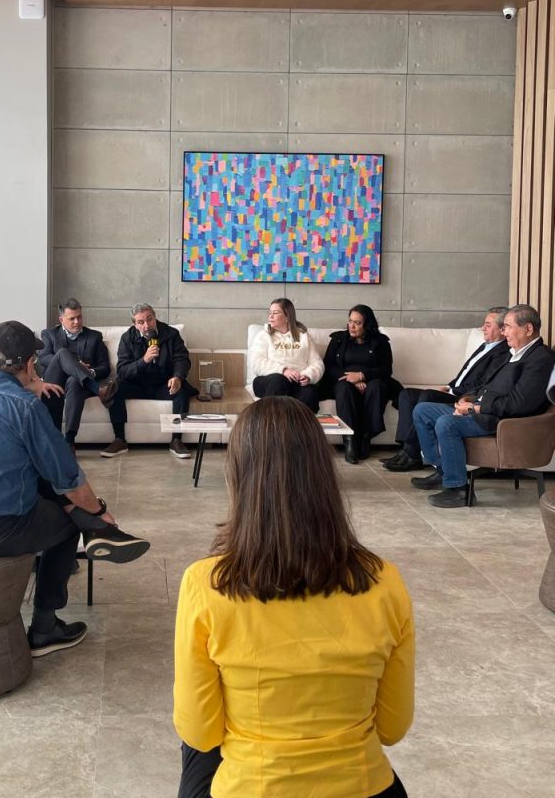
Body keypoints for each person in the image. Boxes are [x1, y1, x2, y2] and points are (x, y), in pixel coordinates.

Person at [173, 397, 414, 798]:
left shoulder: (206, 584)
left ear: (238, 477)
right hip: (363, 784)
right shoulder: (385, 581)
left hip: (253, 786)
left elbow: (200, 732)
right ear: (323, 474)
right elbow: (392, 728)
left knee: (195, 751)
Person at [0, 320, 150, 657]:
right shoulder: (24, 406)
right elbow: (68, 478)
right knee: (67, 523)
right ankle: (46, 627)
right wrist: (98, 510)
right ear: (31, 364)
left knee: (37, 480)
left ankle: (93, 528)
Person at [412, 303, 555, 508]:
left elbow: (517, 404)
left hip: (503, 421)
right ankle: (444, 471)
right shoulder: (514, 352)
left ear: (528, 329)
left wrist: (474, 408)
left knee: (446, 423)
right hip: (483, 410)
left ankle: (458, 490)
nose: (504, 332)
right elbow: (487, 385)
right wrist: (470, 398)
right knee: (423, 410)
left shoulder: (541, 359)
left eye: (508, 326)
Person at [383, 307, 509, 473]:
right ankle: (406, 449)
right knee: (407, 394)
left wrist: (453, 392)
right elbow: (465, 374)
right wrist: (449, 386)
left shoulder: (502, 353)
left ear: (502, 329)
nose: (482, 328)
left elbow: (482, 384)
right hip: (455, 390)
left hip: (464, 397)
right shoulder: (486, 346)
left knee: (427, 396)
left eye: (488, 325)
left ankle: (412, 454)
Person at [37, 298, 127, 458]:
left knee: (74, 380)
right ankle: (98, 390)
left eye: (79, 317)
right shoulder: (49, 334)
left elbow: (104, 367)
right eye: (72, 318)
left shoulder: (94, 337)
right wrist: (73, 364)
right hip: (54, 380)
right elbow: (43, 358)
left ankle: (69, 441)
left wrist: (88, 371)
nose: (77, 322)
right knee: (62, 354)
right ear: (61, 319)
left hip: (78, 385)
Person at [117, 303, 198, 459]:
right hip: (137, 385)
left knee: (181, 389)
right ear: (135, 325)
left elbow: (182, 359)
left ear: (155, 317)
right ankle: (119, 439)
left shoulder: (171, 334)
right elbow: (122, 371)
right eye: (141, 322)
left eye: (149, 319)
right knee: (116, 387)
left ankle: (176, 440)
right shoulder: (127, 338)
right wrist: (144, 360)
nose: (147, 325)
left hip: (164, 384)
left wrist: (177, 377)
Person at [321, 305, 397, 464]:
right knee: (343, 388)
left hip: (372, 382)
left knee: (377, 387)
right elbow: (328, 367)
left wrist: (362, 376)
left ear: (367, 324)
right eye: (350, 321)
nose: (352, 326)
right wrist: (351, 379)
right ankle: (349, 440)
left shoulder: (381, 342)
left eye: (357, 322)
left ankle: (365, 437)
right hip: (344, 382)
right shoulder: (338, 339)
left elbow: (386, 370)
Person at [248, 298, 323, 411]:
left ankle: (300, 423)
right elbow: (256, 362)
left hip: (296, 381)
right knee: (278, 381)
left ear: (287, 316)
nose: (270, 316)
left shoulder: (303, 336)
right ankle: (272, 421)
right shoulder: (264, 335)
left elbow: (317, 362)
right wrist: (283, 370)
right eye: (270, 312)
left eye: (275, 313)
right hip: (269, 380)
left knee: (310, 393)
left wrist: (308, 375)